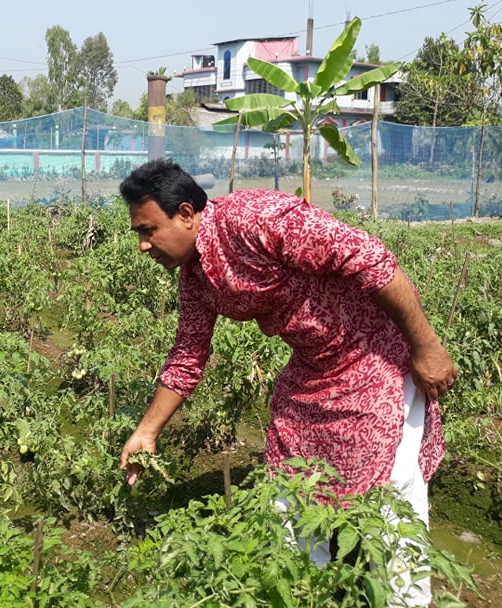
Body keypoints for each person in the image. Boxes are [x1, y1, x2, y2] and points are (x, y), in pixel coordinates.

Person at [117, 159, 457, 606]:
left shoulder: (258, 218)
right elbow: (188, 354)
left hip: (376, 351)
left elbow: (371, 259)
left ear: (185, 213)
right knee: (290, 475)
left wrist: (426, 346)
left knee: (392, 487)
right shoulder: (195, 278)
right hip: (316, 364)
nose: (143, 245)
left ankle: (403, 597)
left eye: (148, 230)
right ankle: (303, 586)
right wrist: (146, 432)